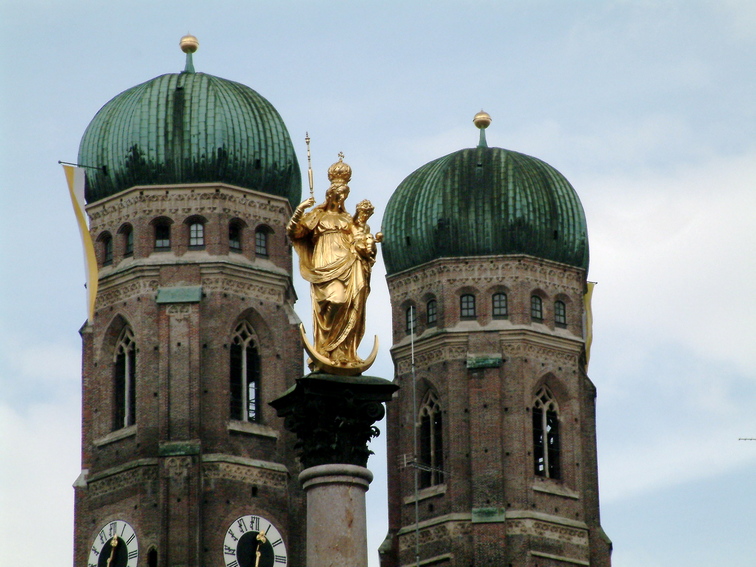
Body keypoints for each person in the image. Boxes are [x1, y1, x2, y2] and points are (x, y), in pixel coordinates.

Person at [287, 154, 378, 370]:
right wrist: (300, 209)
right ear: (330, 195)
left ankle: (344, 351)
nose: (341, 198)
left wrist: (368, 246)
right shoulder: (317, 216)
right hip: (325, 263)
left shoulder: (348, 219)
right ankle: (325, 347)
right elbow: (294, 232)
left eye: (344, 195)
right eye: (338, 194)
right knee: (335, 300)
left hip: (349, 263)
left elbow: (359, 238)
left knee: (351, 302)